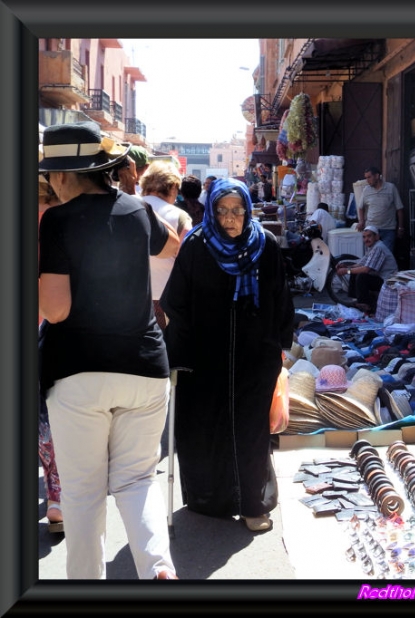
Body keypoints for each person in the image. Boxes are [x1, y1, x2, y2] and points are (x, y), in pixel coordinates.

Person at [38, 121, 180, 579]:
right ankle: (159, 569)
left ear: (63, 175)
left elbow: (56, 312)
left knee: (82, 492)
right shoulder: (138, 210)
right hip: (144, 366)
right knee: (138, 481)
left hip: (79, 370)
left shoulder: (59, 220)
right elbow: (173, 246)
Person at [160, 177, 295, 533]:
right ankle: (210, 500)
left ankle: (253, 503)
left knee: (251, 432)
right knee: (208, 429)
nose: (231, 218)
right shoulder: (197, 246)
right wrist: (179, 354)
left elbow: (281, 298)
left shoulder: (264, 244)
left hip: (255, 357)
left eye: (237, 211)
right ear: (212, 211)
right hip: (205, 358)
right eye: (222, 211)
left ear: (247, 211)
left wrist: (280, 346)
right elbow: (176, 303)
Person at [139, 160, 194, 330]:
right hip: (167, 300)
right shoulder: (179, 216)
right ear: (171, 187)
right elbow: (187, 262)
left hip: (132, 299)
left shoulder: (125, 207)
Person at [37, 174, 63, 534]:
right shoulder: (64, 217)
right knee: (53, 414)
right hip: (56, 322)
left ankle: (56, 494)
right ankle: (59, 496)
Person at [335, 225, 398, 315]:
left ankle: (366, 306)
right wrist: (346, 266)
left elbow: (366, 269)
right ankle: (357, 300)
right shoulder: (372, 247)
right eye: (364, 237)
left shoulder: (378, 248)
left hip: (387, 281)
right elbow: (361, 263)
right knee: (356, 271)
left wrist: (346, 270)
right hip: (378, 277)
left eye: (369, 236)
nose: (366, 239)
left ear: (376, 237)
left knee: (362, 276)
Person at [357, 165, 405, 253]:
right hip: (371, 229)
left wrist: (400, 228)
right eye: (366, 178)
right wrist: (361, 221)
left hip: (388, 229)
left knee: (386, 254)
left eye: (369, 177)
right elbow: (360, 208)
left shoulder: (391, 188)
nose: (367, 180)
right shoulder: (366, 190)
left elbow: (400, 209)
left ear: (377, 176)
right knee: (372, 255)